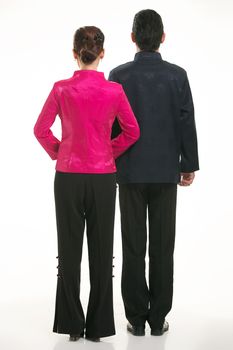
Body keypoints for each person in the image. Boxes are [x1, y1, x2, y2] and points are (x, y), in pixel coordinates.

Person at [34, 26, 140, 342]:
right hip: (103, 178)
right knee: (101, 250)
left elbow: (41, 129)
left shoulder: (61, 89)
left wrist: (61, 151)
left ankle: (70, 324)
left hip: (67, 177)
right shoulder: (114, 91)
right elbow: (133, 132)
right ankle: (98, 326)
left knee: (68, 252)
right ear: (102, 53)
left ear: (74, 53)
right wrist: (108, 151)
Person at [109, 9, 199, 336]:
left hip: (129, 171)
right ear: (162, 37)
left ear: (133, 37)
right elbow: (186, 120)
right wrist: (187, 164)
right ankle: (158, 318)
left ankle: (135, 317)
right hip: (164, 174)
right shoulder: (178, 76)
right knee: (162, 246)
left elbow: (111, 126)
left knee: (133, 246)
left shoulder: (118, 76)